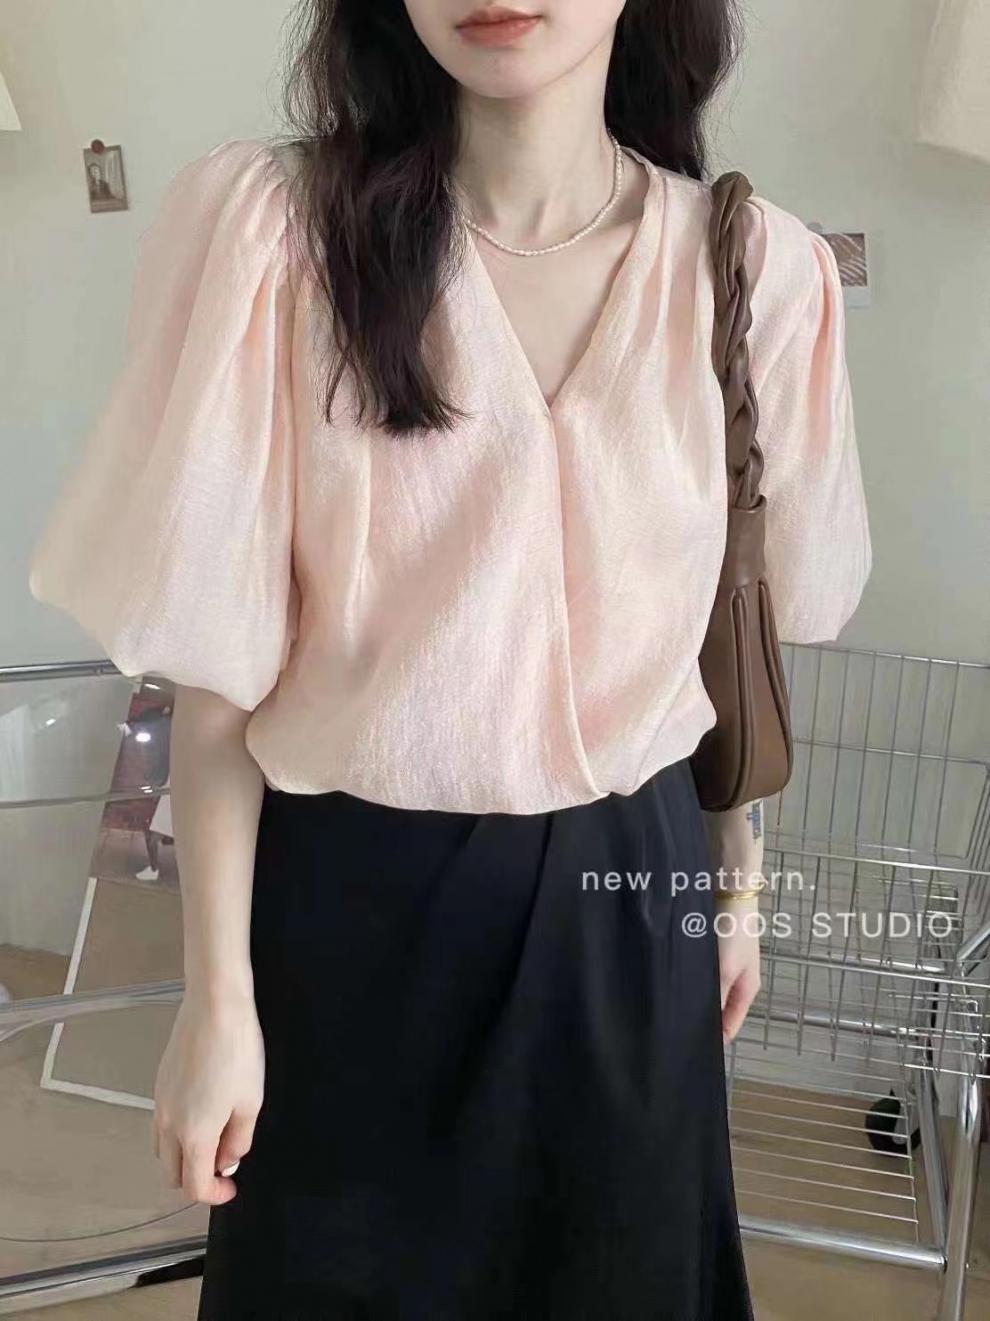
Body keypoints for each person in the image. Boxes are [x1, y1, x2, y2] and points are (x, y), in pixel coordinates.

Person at [27, 1, 872, 1317]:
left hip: (629, 890)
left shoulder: (752, 267)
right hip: (351, 907)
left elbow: (728, 635)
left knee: (620, 1279)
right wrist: (216, 996)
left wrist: (734, 881)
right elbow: (220, 676)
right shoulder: (279, 239)